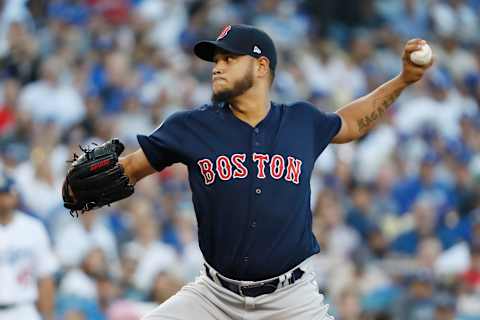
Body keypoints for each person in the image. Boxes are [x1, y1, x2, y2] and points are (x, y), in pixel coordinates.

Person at [74, 24, 432, 319]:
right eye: (215, 60)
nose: (217, 66)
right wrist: (83, 186)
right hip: (214, 297)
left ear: (261, 67)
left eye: (229, 58)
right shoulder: (191, 126)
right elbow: (132, 168)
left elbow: (351, 123)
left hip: (290, 300)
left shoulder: (301, 122)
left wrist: (402, 80)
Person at [0, 171, 58, 320]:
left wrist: (48, 315)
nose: (3, 198)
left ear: (15, 196)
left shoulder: (33, 228)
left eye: (6, 193)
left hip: (24, 309)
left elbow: (45, 276)